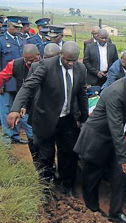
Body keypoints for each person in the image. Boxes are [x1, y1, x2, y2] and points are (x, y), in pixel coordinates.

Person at [7, 42, 88, 195]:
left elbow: (82, 94)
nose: (70, 64)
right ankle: (45, 188)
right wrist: (15, 109)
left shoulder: (80, 69)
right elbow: (28, 87)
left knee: (69, 154)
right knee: (45, 155)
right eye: (67, 60)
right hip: (45, 118)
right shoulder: (45, 66)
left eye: (74, 60)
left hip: (68, 119)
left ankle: (67, 185)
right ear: (61, 55)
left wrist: (83, 118)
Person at [74, 64, 126, 223]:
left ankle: (116, 212)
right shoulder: (115, 93)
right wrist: (124, 157)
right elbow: (116, 127)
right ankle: (92, 209)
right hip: (96, 140)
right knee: (92, 177)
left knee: (120, 175)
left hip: (112, 141)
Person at [0, 44, 41, 163]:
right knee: (32, 134)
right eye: (27, 60)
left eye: (33, 60)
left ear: (39, 55)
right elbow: (1, 78)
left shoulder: (47, 65)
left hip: (42, 103)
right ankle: (38, 161)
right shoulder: (15, 64)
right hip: (24, 103)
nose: (30, 63)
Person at [0, 16, 27, 144]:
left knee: (17, 109)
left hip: (19, 84)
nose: (18, 30)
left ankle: (16, 135)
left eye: (19, 28)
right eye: (15, 27)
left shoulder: (23, 41)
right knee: (5, 109)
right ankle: (7, 136)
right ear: (8, 27)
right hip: (5, 83)